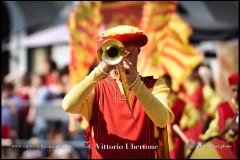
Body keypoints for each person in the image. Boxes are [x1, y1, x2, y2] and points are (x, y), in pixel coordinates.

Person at [62, 25, 174, 159]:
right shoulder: (96, 87)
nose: (121, 59)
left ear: (138, 52)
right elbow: (67, 105)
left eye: (127, 52)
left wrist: (136, 84)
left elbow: (162, 120)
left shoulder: (155, 85)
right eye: (116, 52)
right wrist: (98, 72)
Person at [199, 72, 238, 158]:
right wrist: (199, 144)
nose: (236, 94)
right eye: (233, 90)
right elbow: (213, 130)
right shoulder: (222, 108)